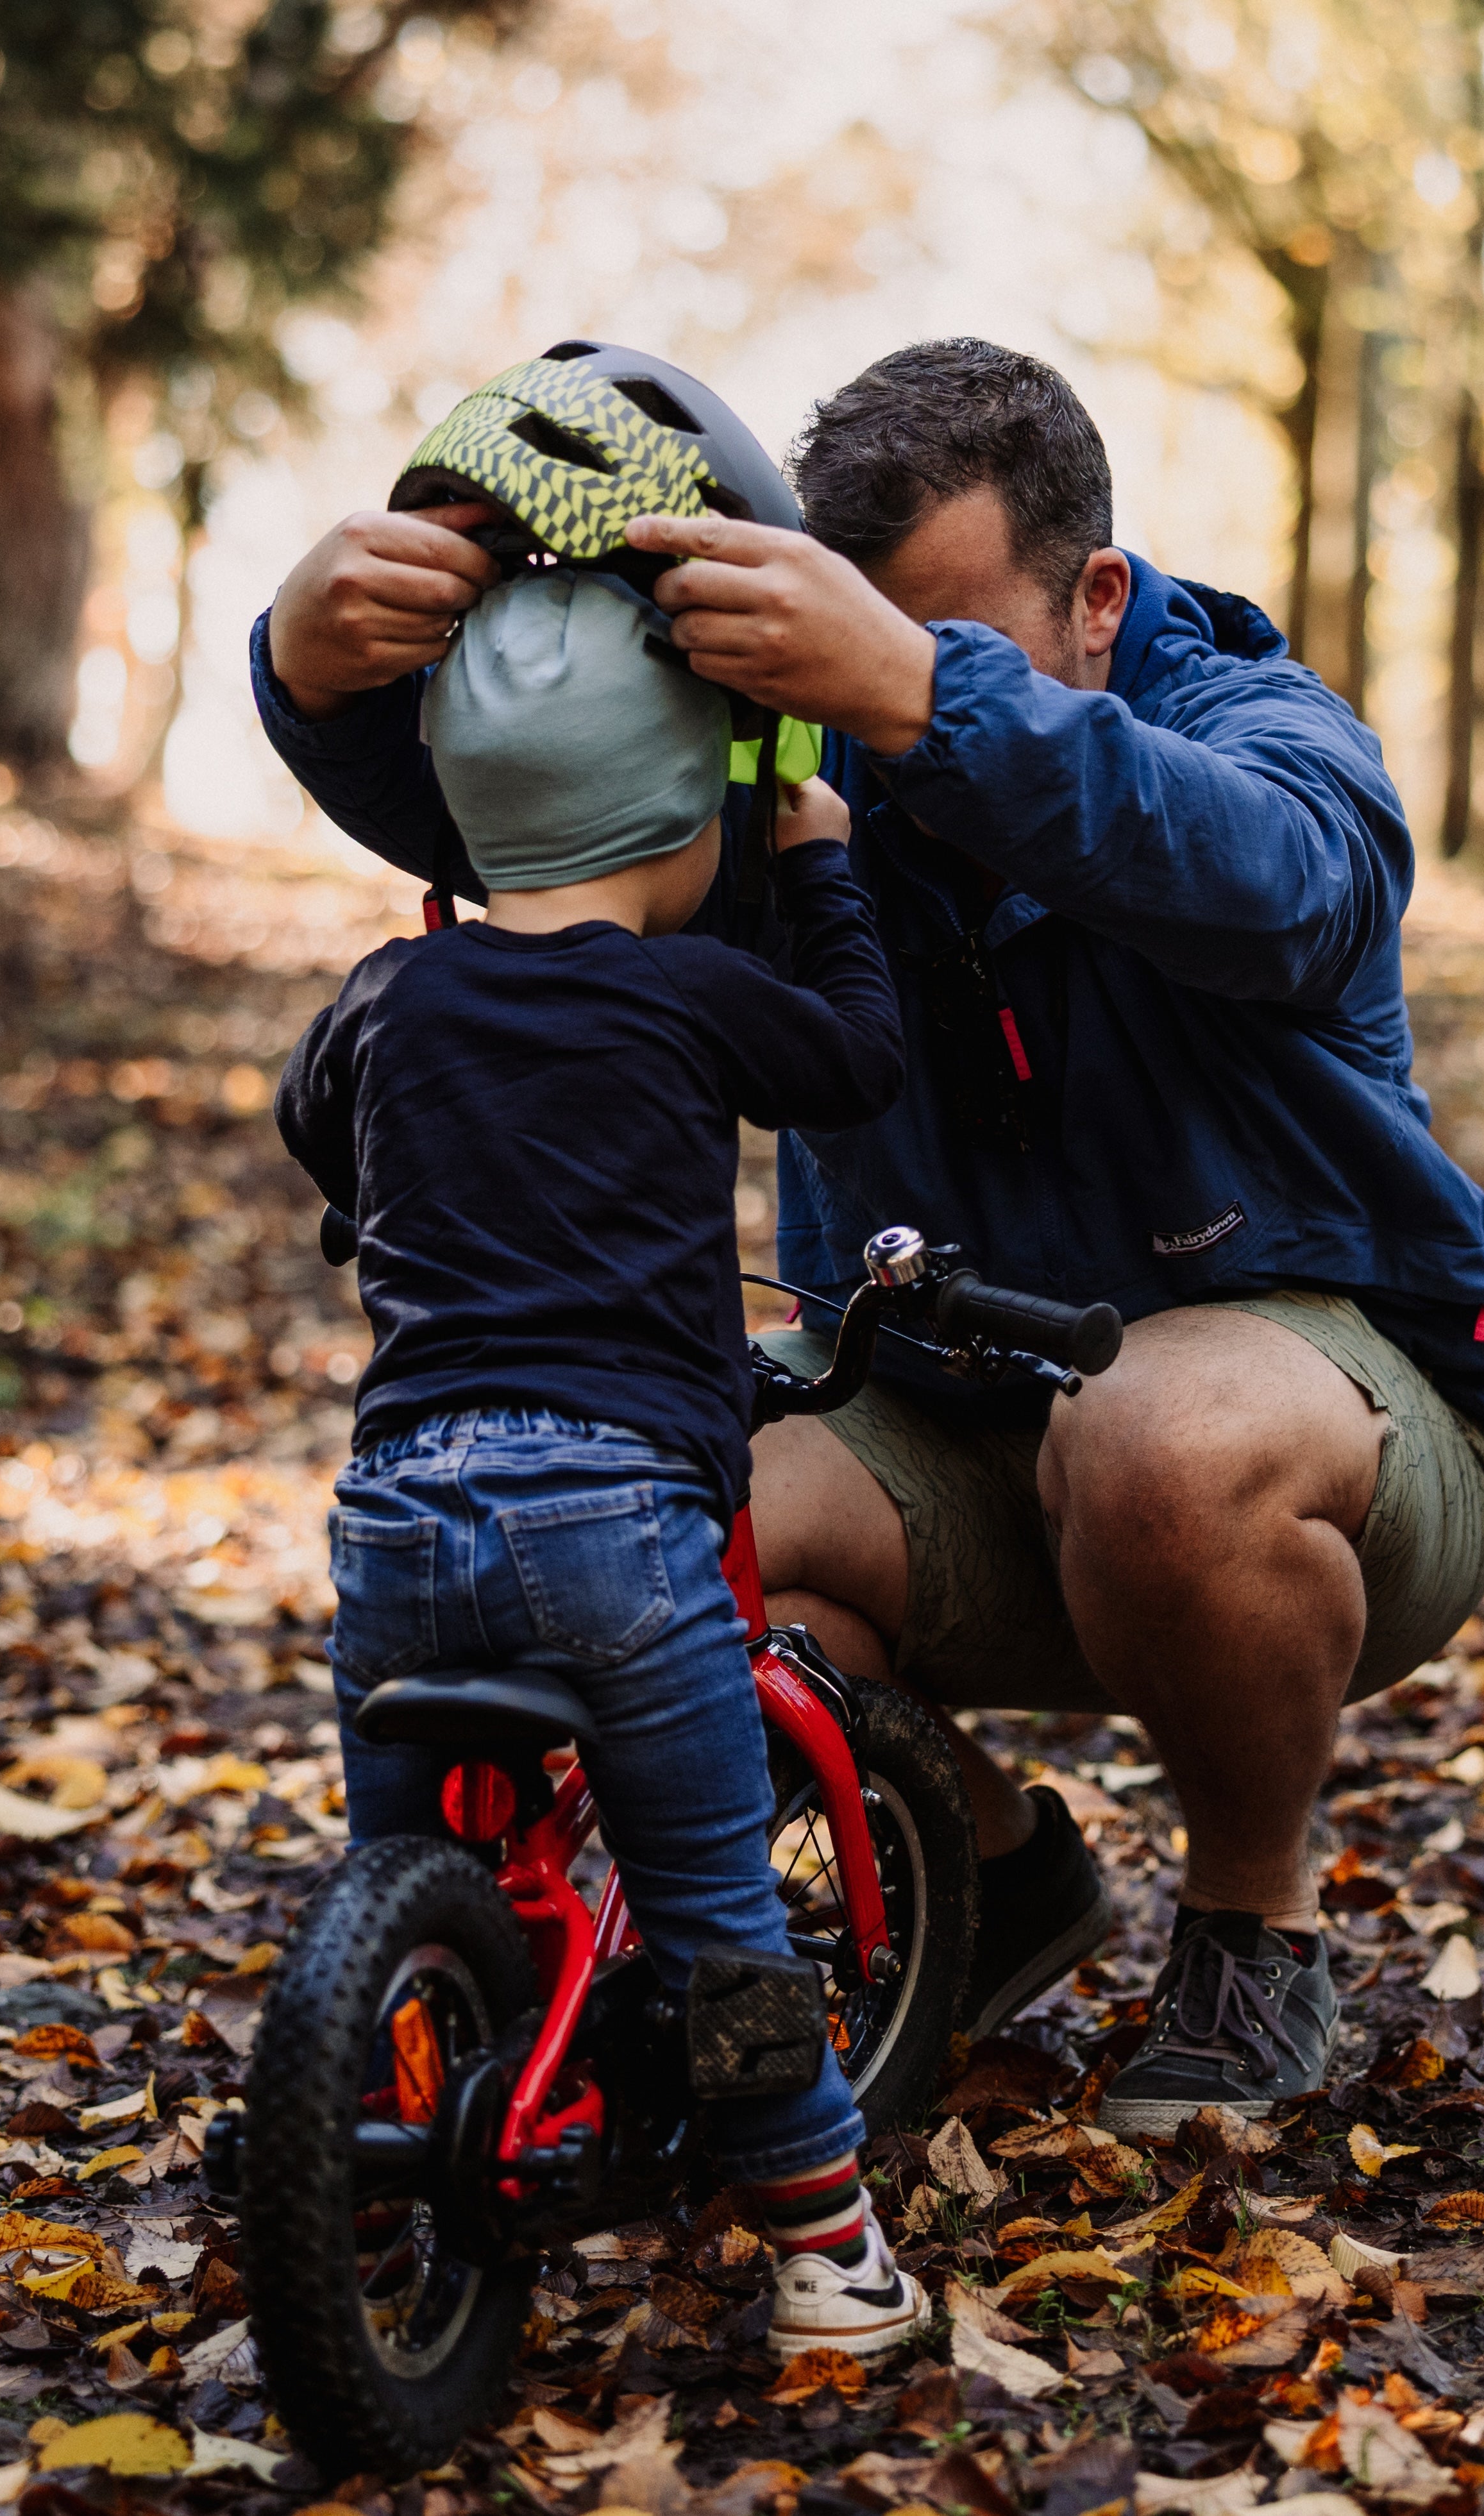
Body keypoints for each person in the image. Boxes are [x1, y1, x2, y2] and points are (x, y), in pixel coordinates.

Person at [254, 337, 1484, 2138]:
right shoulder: (810, 775)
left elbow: (1285, 883)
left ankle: (1251, 1921)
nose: (873, 696)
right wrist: (310, 676)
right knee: (655, 1522)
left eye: (945, 634)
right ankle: (990, 1867)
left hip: (1327, 1424)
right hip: (938, 1391)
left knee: (1157, 1436)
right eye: (844, 638)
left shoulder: (1254, 732)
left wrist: (916, 693)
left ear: (1096, 596)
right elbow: (547, 827)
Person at [272, 544, 922, 2358]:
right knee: (722, 1911)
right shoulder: (689, 993)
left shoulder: (391, 995)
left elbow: (307, 1110)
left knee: (407, 1882)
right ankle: (825, 2250)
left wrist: (382, 1192)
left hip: (397, 1517)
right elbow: (858, 1058)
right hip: (619, 1521)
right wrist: (819, 870)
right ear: (680, 812)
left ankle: (393, 2151)